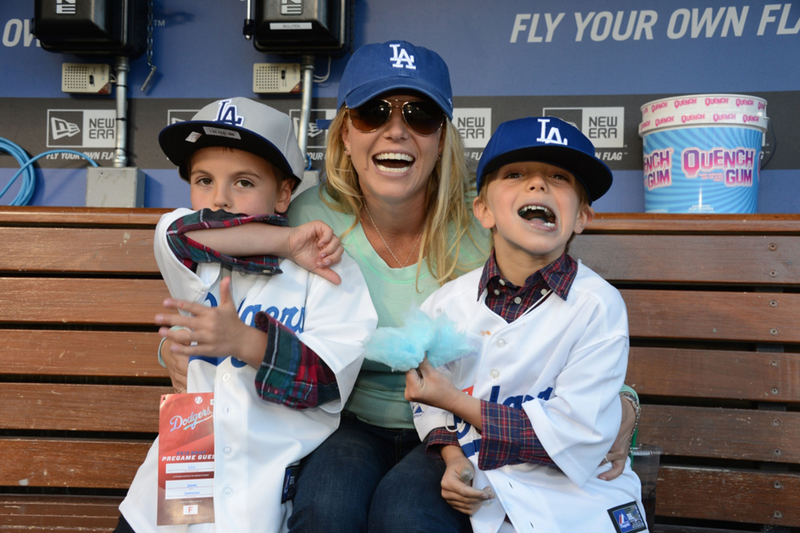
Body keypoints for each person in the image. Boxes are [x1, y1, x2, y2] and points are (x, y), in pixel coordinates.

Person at [159, 41, 638, 532]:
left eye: (420, 114)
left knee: (408, 514)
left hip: (456, 425)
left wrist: (624, 403)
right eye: (372, 112)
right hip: (344, 420)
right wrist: (181, 351)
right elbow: (218, 284)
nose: (396, 130)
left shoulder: (489, 222)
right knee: (327, 508)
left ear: (442, 137)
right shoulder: (304, 219)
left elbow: (551, 322)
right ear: (346, 133)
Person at [116, 97, 378, 533]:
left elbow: (327, 382)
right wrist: (287, 241)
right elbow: (182, 232)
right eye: (204, 180)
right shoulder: (189, 251)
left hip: (266, 487)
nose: (219, 198)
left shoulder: (330, 269)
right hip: (180, 476)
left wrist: (244, 343)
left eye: (242, 182)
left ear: (282, 193)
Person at [405, 116, 647, 532]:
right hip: (483, 485)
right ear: (483, 210)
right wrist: (453, 457)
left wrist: (459, 402)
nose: (538, 186)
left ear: (581, 218)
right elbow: (428, 403)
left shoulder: (599, 305)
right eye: (515, 174)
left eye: (559, 177)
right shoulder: (446, 303)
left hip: (579, 497)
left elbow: (576, 437)